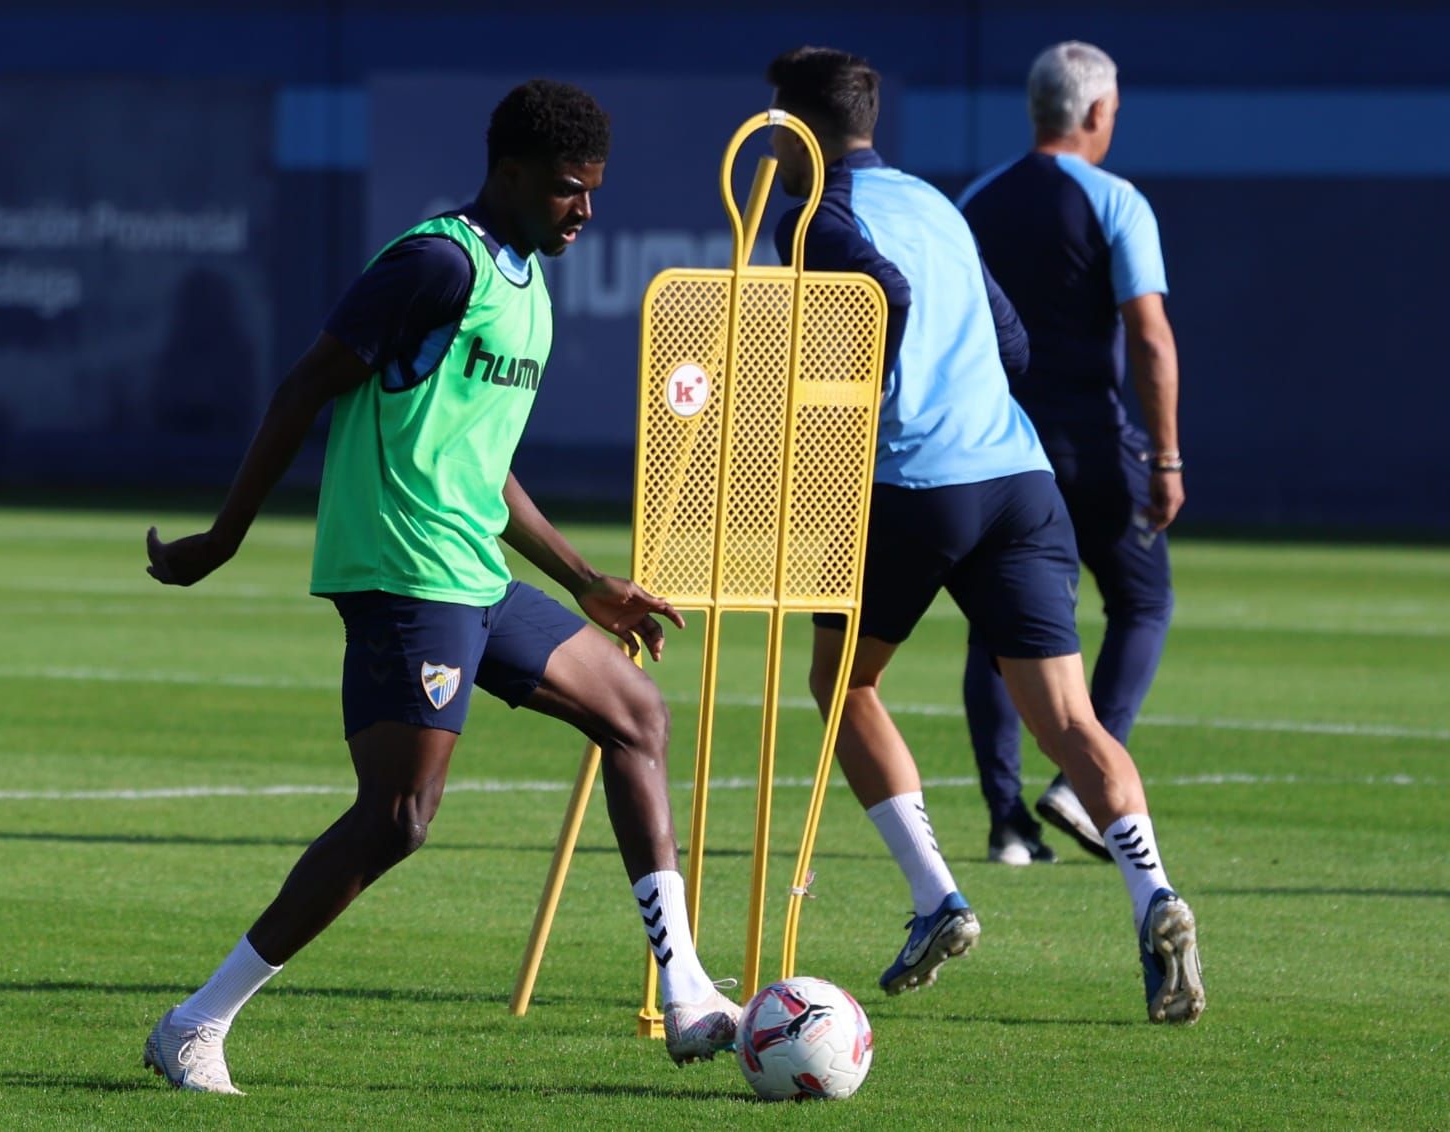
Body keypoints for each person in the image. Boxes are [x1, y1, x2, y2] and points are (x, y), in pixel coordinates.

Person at [139, 79, 741, 1094]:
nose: (583, 211)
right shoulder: (432, 265)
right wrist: (226, 538)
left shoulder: (529, 280)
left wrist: (589, 580)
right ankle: (195, 1023)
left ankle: (685, 993)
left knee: (635, 712)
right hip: (403, 571)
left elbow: (479, 461)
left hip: (472, 566)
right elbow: (304, 387)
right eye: (564, 190)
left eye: (592, 190)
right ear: (507, 175)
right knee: (399, 817)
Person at [765, 46, 1204, 1023]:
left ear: (796, 129)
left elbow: (884, 294)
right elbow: (1010, 344)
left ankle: (936, 897)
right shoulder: (931, 202)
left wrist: (870, 395)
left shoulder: (811, 218)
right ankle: (1154, 893)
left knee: (843, 686)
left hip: (910, 481)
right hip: (1017, 475)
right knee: (1071, 720)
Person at [956, 41, 1184, 867]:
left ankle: (1006, 821)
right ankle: (1084, 775)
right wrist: (1166, 459)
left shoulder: (975, 201)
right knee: (1144, 601)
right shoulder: (1115, 199)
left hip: (998, 448)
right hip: (1090, 444)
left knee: (997, 630)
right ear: (1094, 114)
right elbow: (1149, 337)